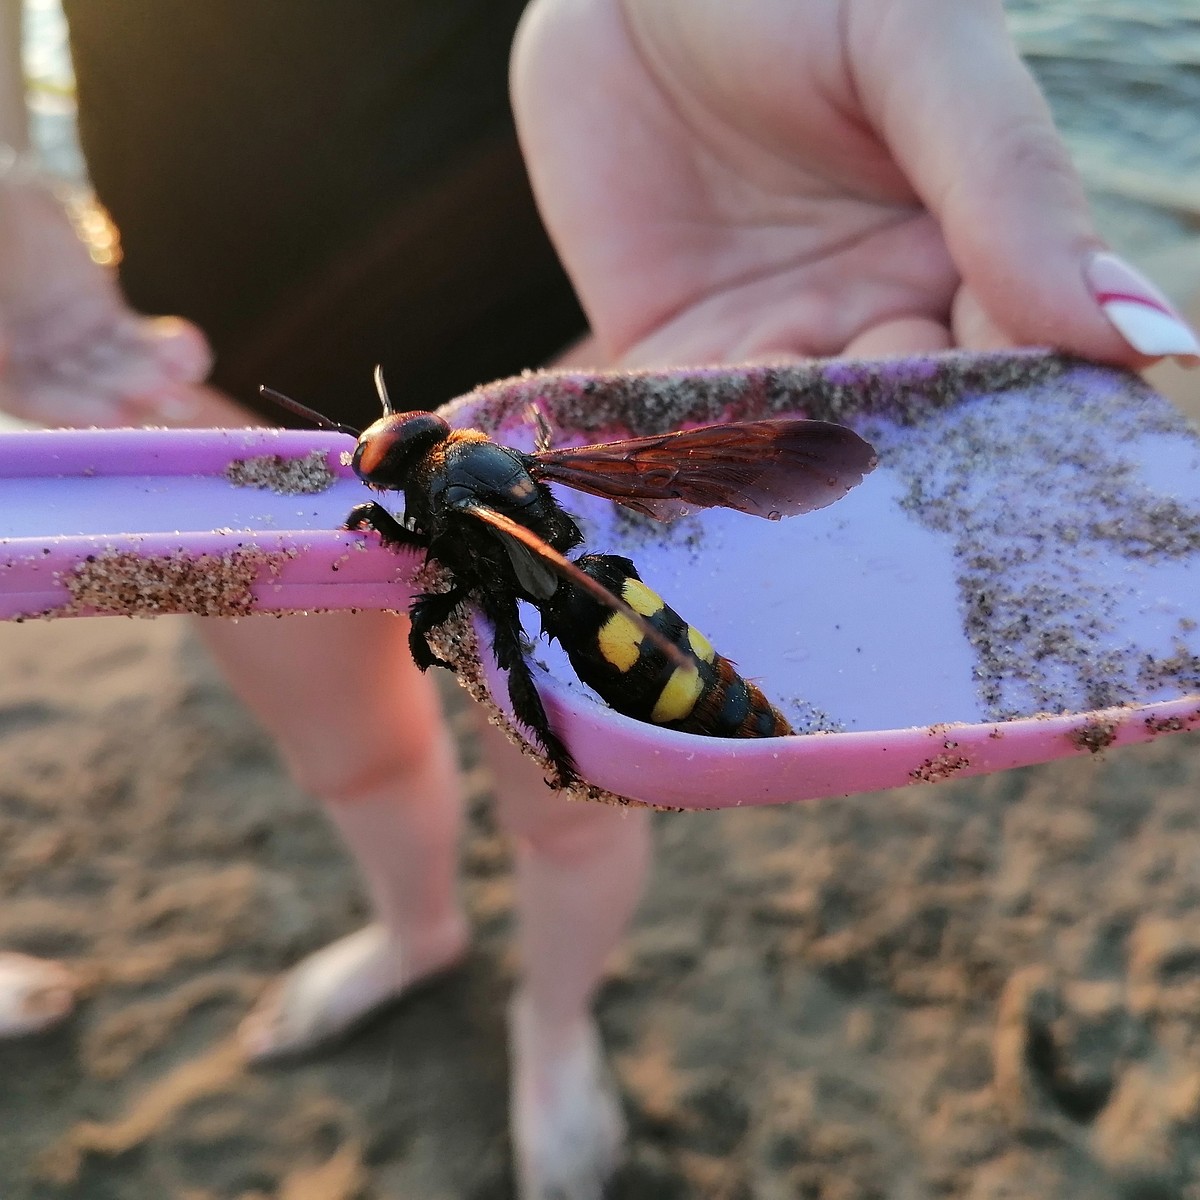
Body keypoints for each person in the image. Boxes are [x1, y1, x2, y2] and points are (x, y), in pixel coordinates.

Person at [0, 1, 1195, 1196]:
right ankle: (418, 935)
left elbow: (458, 571)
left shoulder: (450, 495)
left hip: (591, 318)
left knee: (566, 783)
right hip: (197, 394)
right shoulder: (489, 474)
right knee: (353, 754)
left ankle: (555, 1023)